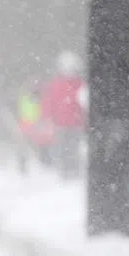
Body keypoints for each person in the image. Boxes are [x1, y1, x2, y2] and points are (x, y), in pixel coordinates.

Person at [40, 50, 88, 179]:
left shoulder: (80, 84)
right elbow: (48, 102)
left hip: (76, 123)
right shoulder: (55, 84)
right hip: (61, 124)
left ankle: (73, 171)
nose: (68, 71)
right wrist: (46, 117)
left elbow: (84, 102)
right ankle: (65, 172)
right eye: (66, 67)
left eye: (71, 68)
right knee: (62, 149)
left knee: (73, 148)